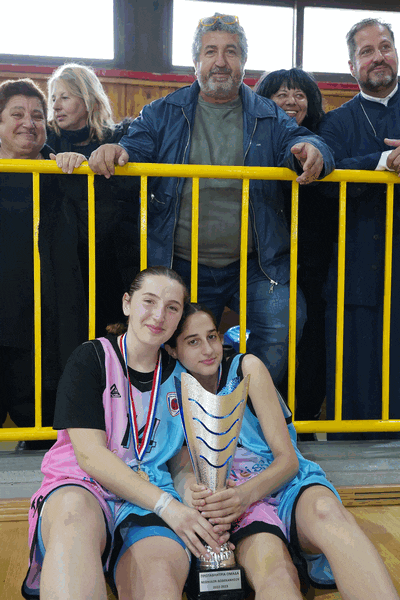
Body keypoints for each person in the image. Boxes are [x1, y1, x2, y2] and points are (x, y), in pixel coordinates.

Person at [88, 13, 335, 390]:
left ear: (244, 62)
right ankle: (189, 414)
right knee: (180, 345)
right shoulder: (163, 112)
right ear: (195, 61)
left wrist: (312, 149)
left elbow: (305, 140)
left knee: (283, 320)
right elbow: (132, 146)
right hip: (181, 262)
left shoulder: (268, 114)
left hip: (256, 263)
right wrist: (115, 151)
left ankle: (248, 409)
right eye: (210, 52)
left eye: (231, 52)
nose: (221, 61)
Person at [166, 303, 400, 600]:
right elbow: (178, 465)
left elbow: (288, 460)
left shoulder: (246, 367)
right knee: (275, 571)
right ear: (172, 350)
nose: (208, 349)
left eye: (212, 336)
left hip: (281, 483)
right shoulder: (169, 387)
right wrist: (196, 495)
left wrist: (244, 495)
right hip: (233, 503)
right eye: (193, 342)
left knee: (327, 511)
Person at [22, 267, 229, 600]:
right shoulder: (90, 358)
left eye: (172, 307)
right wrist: (168, 506)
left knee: (159, 580)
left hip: (152, 494)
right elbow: (90, 456)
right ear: (127, 304)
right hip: (86, 486)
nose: (159, 315)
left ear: (179, 318)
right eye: (149, 301)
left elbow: (178, 459)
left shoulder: (182, 377)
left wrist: (192, 494)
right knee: (73, 517)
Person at [318, 18, 400, 440]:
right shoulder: (337, 123)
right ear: (352, 66)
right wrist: (383, 163)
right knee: (359, 380)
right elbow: (327, 179)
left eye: (385, 47)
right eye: (366, 51)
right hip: (360, 266)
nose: (378, 57)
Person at [0, 78, 86, 446]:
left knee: (44, 431)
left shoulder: (62, 171)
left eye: (37, 115)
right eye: (17, 114)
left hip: (45, 327)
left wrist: (76, 170)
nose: (29, 123)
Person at [254, 69, 337, 438]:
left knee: (314, 341)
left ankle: (304, 420)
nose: (291, 101)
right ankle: (270, 421)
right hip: (267, 261)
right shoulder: (259, 139)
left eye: (299, 95)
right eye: (282, 95)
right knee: (278, 337)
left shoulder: (321, 140)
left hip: (316, 263)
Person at [47, 63, 140, 334]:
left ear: (88, 99)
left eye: (65, 97)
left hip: (115, 256)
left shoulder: (120, 138)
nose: (56, 106)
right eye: (53, 98)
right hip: (67, 254)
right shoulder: (48, 142)